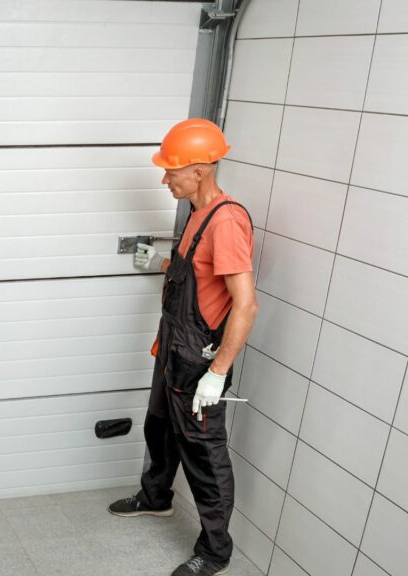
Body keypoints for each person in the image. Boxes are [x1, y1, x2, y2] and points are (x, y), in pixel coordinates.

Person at [108, 119, 258, 576]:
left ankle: (214, 552)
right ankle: (156, 498)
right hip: (173, 349)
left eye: (171, 171)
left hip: (198, 365)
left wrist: (217, 375)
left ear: (199, 170)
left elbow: (245, 306)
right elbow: (195, 274)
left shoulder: (227, 221)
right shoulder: (198, 212)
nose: (164, 178)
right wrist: (162, 262)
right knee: (158, 427)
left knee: (205, 457)